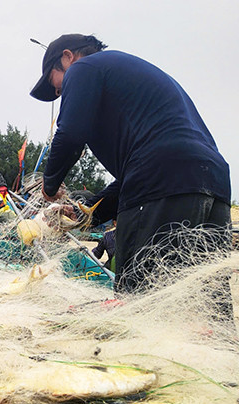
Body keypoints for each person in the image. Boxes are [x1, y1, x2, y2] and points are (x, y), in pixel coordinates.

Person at [31, 34, 231, 295]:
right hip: (213, 182)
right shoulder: (133, 79)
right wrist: (85, 214)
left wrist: (50, 185)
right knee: (207, 300)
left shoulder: (83, 68)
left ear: (68, 57)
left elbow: (70, 135)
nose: (61, 94)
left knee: (139, 300)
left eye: (57, 86)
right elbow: (140, 173)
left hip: (162, 182)